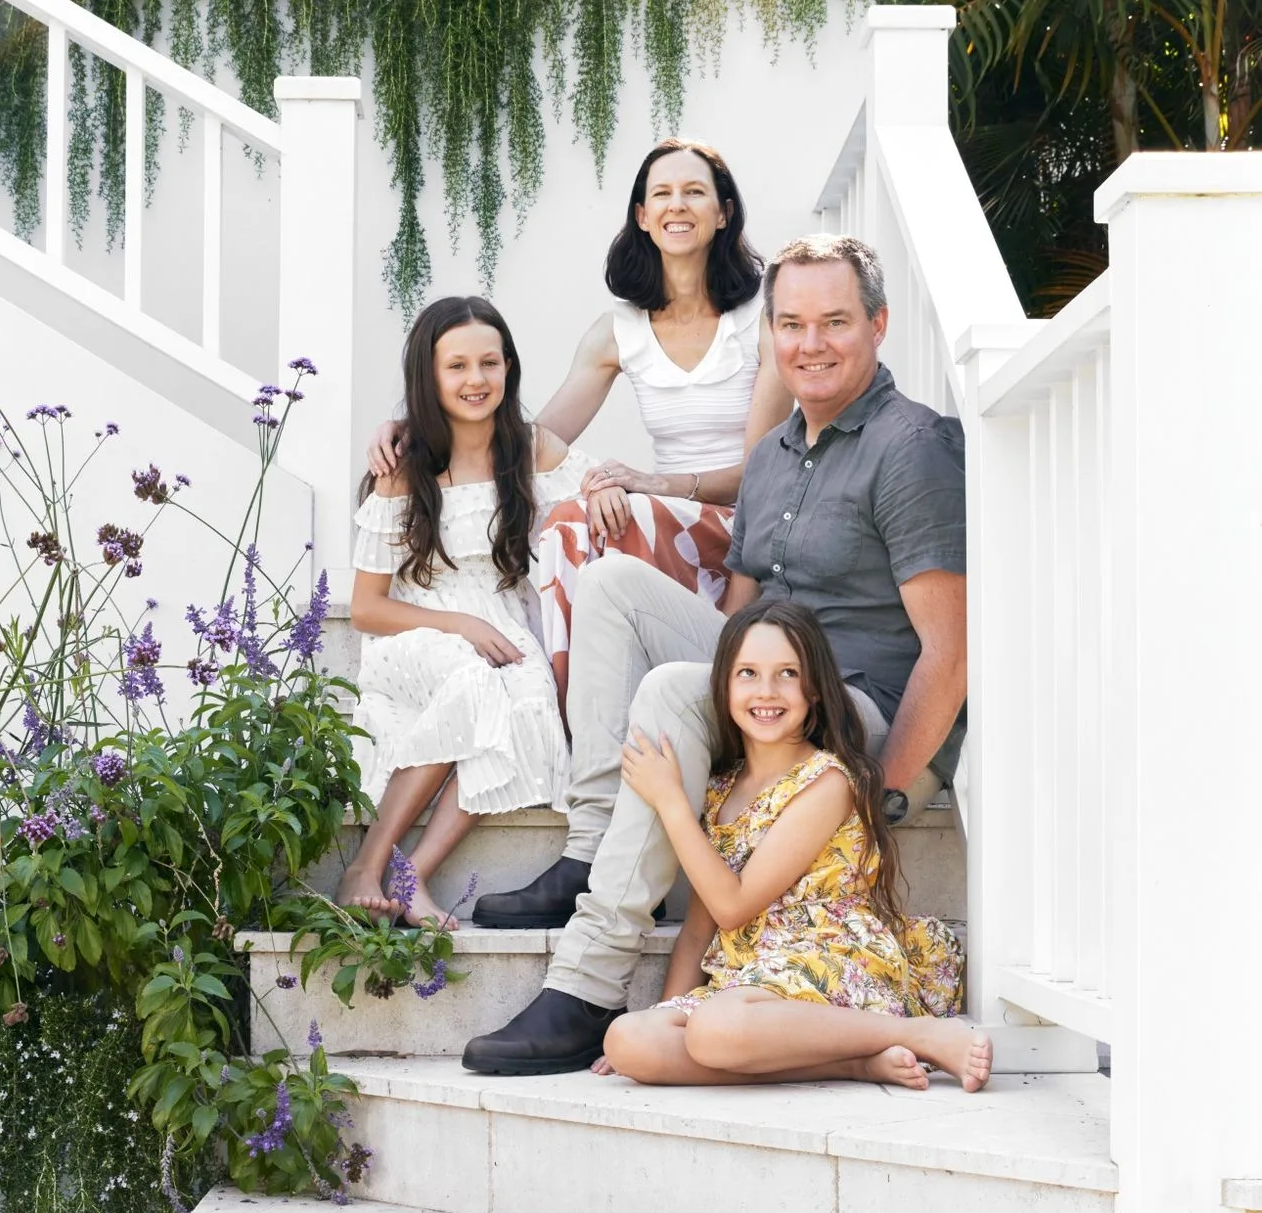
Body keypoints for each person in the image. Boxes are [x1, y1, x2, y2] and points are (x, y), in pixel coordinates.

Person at [461, 231, 969, 1074]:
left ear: (878, 326)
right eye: (792, 324)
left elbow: (948, 652)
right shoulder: (769, 456)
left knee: (667, 692)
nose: (810, 344)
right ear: (769, 336)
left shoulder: (909, 446)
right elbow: (739, 626)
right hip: (774, 684)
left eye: (834, 322)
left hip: (856, 705)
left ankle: (587, 981)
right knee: (613, 583)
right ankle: (592, 843)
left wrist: (883, 794)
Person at [366, 139, 792, 714]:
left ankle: (585, 711)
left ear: (724, 213)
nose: (677, 205)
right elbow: (521, 442)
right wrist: (414, 421)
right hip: (665, 528)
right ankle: (572, 713)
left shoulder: (761, 321)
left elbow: (765, 477)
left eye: (695, 192)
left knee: (609, 514)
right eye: (661, 194)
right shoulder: (619, 331)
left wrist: (656, 483)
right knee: (574, 515)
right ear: (642, 216)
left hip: (741, 527)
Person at [596, 598, 989, 1093]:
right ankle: (855, 1063)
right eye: (748, 674)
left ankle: (919, 1033)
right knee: (628, 1039)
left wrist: (671, 802)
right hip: (751, 983)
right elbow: (700, 928)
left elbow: (732, 907)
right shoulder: (721, 788)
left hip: (830, 960)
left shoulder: (828, 782)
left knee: (716, 1030)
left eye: (787, 673)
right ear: (724, 685)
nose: (766, 691)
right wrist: (666, 1014)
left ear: (816, 690)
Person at [339, 295, 585, 930]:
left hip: (506, 624)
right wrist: (461, 626)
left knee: (530, 698)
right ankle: (364, 865)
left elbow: (595, 491)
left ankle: (410, 874)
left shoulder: (532, 451)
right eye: (457, 367)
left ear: (509, 368)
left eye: (489, 363)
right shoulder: (403, 466)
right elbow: (367, 608)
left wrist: (614, 492)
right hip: (418, 627)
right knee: (473, 682)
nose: (476, 380)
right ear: (429, 375)